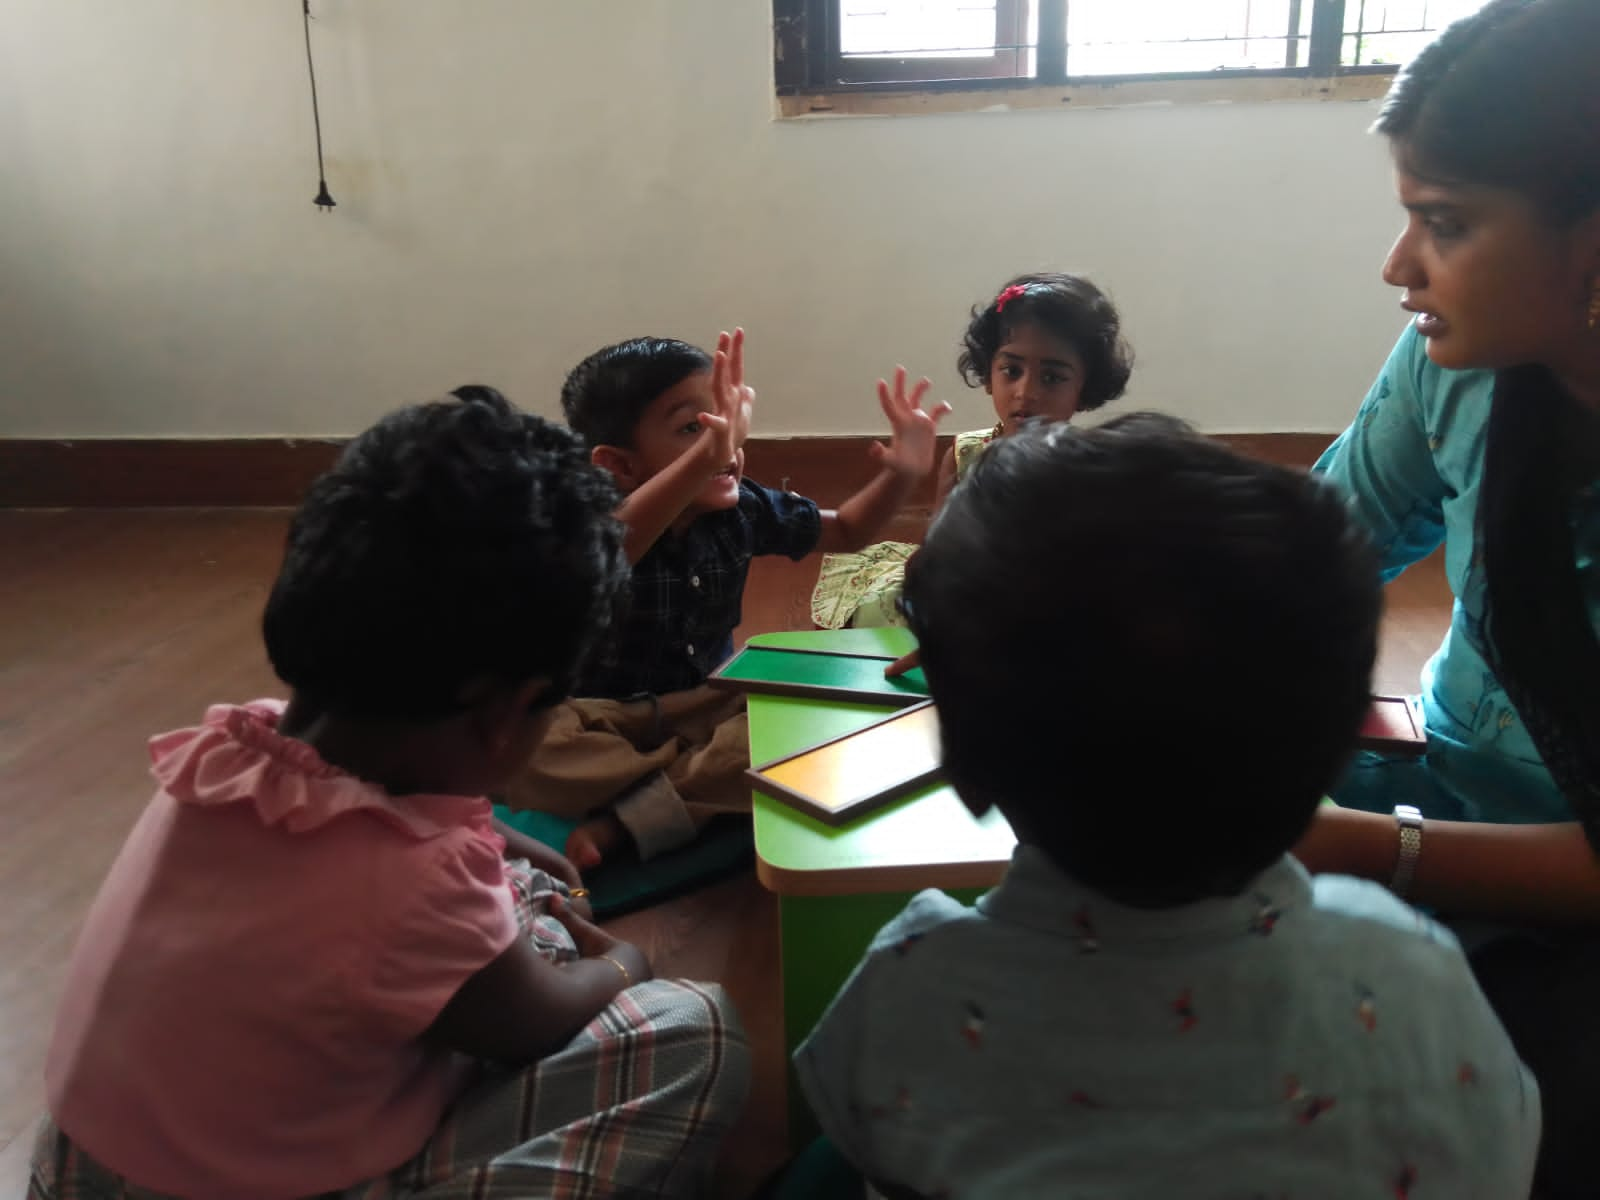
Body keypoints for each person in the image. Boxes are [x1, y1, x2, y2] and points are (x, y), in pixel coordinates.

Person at [30, 388, 748, 1200]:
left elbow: (397, 850)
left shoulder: (230, 748)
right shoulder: (417, 885)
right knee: (698, 1032)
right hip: (252, 1185)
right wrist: (623, 964)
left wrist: (504, 852)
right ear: (507, 714)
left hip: (87, 1165)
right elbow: (535, 1021)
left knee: (525, 890)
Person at [796, 415, 1538, 1199]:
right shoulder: (1418, 970)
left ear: (968, 772)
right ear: (1339, 761)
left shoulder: (908, 992)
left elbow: (863, 1141)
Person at [1292, 2, 1600, 1193]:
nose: (1397, 269)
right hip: (1452, 790)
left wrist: (1359, 849)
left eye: (1445, 223)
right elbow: (1316, 552)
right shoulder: (1453, 371)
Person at [502, 329, 949, 868]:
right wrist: (704, 460)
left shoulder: (741, 508)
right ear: (619, 465)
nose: (726, 445)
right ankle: (697, 785)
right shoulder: (589, 520)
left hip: (707, 703)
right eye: (694, 428)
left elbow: (848, 531)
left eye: (726, 421)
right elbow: (606, 554)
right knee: (528, 744)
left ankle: (638, 810)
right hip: (599, 716)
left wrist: (901, 475)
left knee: (816, 707)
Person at [811, 272, 1132, 629]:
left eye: (1052, 378)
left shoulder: (1091, 469)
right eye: (1011, 370)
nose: (1025, 392)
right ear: (988, 372)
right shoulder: (966, 453)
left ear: (1085, 389)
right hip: (966, 593)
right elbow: (937, 549)